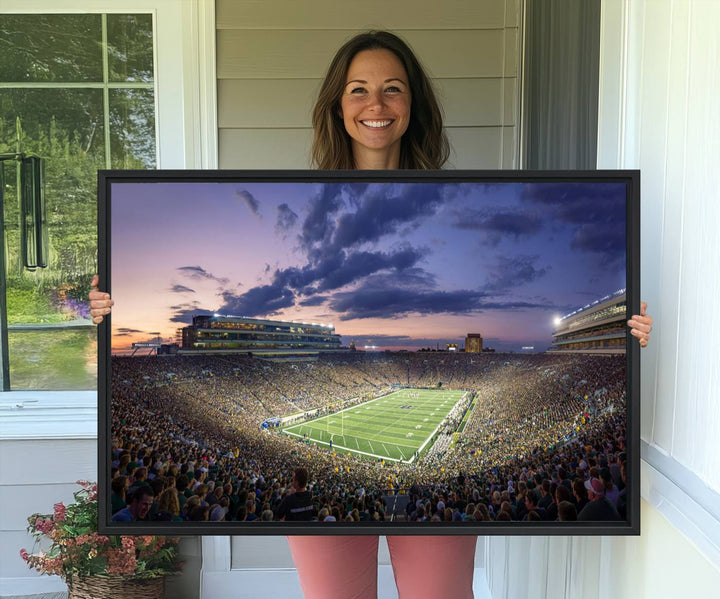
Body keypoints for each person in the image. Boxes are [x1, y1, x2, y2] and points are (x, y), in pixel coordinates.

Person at [90, 29, 653, 599]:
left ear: (414, 105)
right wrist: (107, 311)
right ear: (338, 104)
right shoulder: (300, 200)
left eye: (393, 89)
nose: (375, 105)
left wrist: (623, 336)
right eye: (358, 89)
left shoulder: (455, 199)